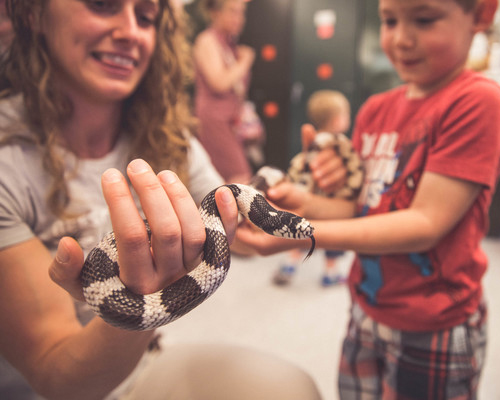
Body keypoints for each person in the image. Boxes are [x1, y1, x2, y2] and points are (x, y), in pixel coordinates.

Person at [0, 1, 321, 399]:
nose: (131, 31)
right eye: (103, 4)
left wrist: (312, 186)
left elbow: (236, 223)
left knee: (291, 388)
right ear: (33, 15)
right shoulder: (7, 162)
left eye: (147, 17)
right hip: (64, 386)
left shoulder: (169, 137)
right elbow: (58, 378)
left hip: (143, 364)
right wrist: (134, 309)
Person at [237, 0, 500, 398]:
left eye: (424, 19)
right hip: (365, 310)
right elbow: (363, 209)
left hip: (434, 322)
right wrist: (304, 201)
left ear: (481, 15)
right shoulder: (374, 110)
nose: (401, 39)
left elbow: (424, 225)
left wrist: (302, 232)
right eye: (388, 20)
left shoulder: (477, 102)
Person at [273, 90, 352, 287]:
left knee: (302, 235)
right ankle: (330, 273)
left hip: (306, 201)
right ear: (338, 120)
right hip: (330, 204)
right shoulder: (341, 145)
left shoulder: (312, 144)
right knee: (333, 239)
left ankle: (289, 265)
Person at [192, 0, 256, 183]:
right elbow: (219, 82)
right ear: (215, 13)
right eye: (233, 12)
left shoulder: (228, 43)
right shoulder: (207, 40)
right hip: (214, 120)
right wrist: (244, 61)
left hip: (231, 121)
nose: (239, 18)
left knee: (228, 178)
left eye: (241, 12)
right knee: (239, 176)